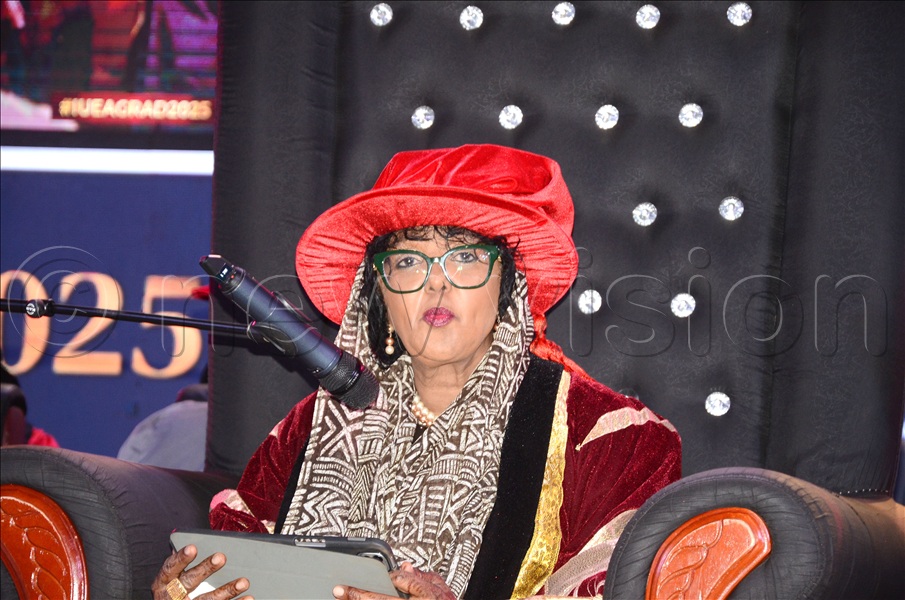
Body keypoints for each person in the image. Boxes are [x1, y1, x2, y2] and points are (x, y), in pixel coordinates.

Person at [153, 144, 682, 600]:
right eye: (408, 262)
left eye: (465, 258)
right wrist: (194, 587)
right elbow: (237, 557)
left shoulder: (609, 437)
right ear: (377, 292)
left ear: (510, 286)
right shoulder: (313, 425)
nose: (436, 285)